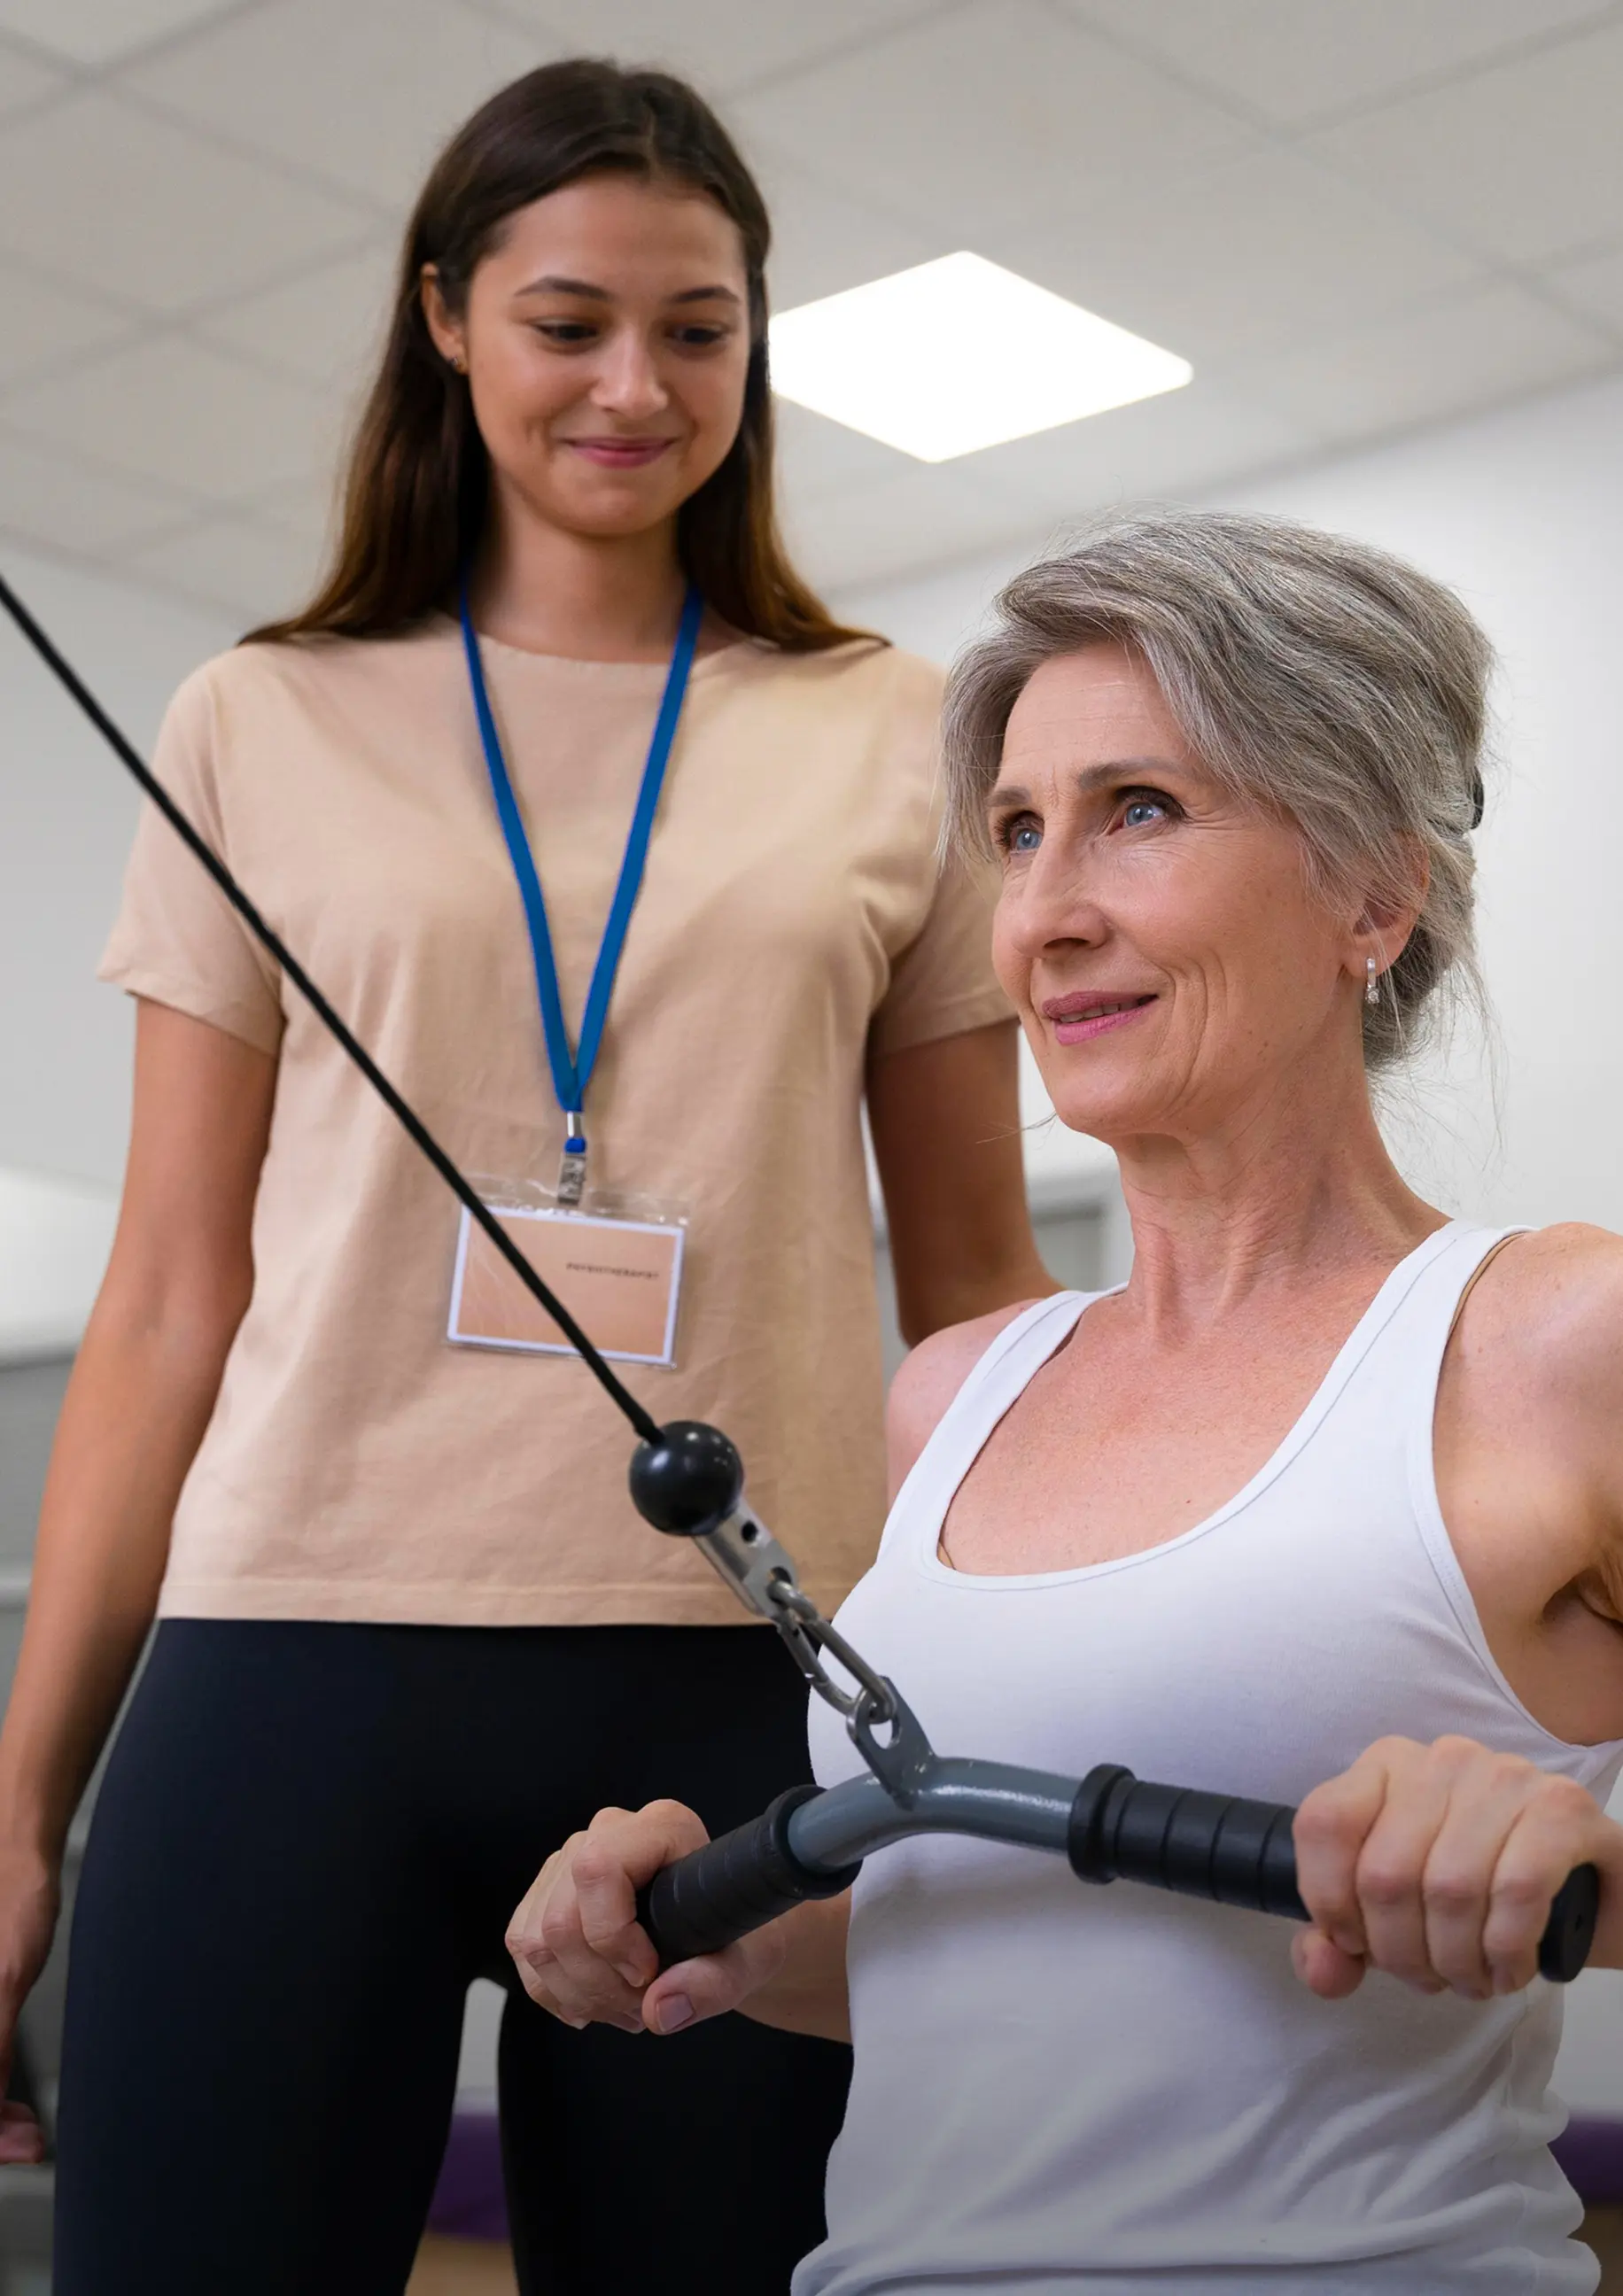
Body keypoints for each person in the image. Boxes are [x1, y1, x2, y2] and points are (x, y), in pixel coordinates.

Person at [0, 59, 1052, 2296]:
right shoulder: (258, 715)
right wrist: (19, 1798)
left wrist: (1023, 1713)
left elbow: (972, 1287)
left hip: (741, 1671)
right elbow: (173, 1294)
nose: (633, 384)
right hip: (293, 1657)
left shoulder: (890, 726)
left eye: (699, 327)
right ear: (447, 319)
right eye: (568, 319)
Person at [509, 508, 1623, 2294]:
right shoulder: (956, 1389)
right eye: (1018, 834)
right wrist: (694, 1932)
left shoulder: (1556, 1337)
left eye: (1142, 812)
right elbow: (982, 1953)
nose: (1046, 913)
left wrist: (1578, 1859)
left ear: (1375, 893)